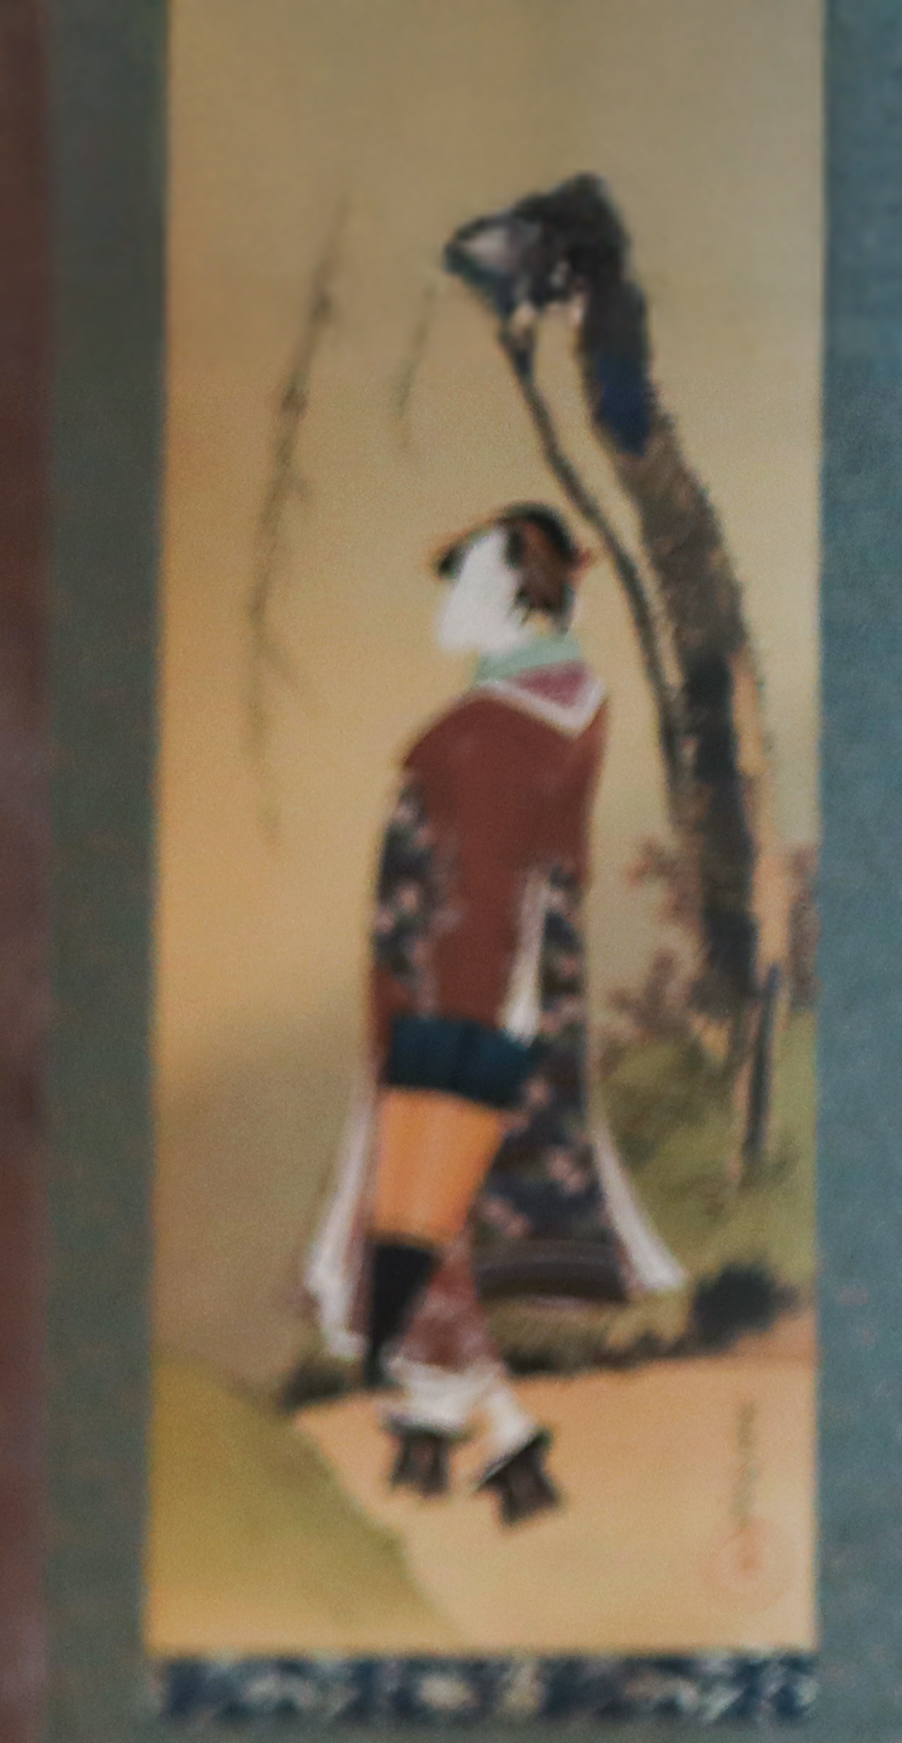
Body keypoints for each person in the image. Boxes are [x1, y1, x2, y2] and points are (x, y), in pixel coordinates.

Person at [299, 503, 686, 1526]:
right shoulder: (568, 701)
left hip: (458, 987)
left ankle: (503, 1434)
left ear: (519, 592)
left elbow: (477, 884)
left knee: (421, 1204)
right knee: (438, 1205)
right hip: (516, 983)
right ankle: (447, 1421)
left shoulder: (489, 729)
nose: (449, 604)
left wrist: (447, 1003)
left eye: (468, 582)